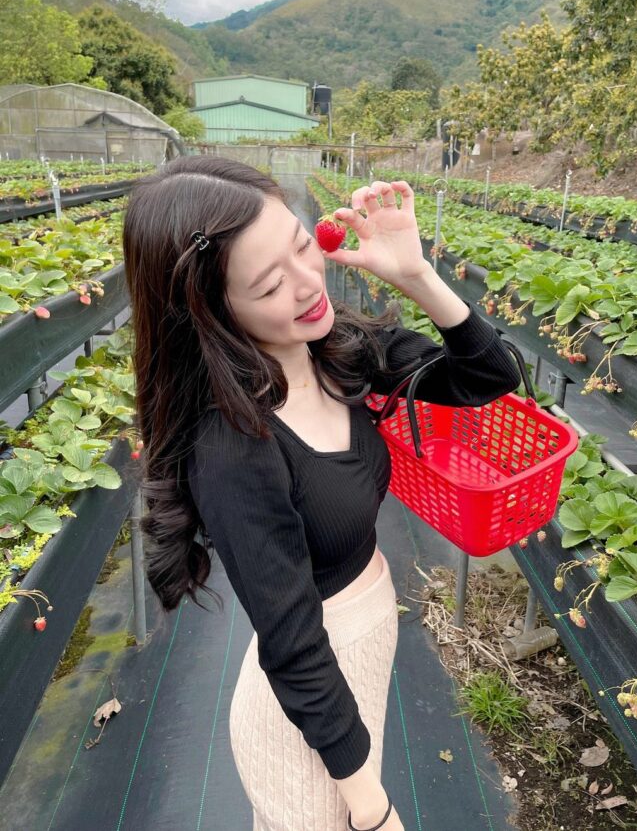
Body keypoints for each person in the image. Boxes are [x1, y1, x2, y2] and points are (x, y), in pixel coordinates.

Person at [122, 155, 521, 831]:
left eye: (303, 245)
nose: (308, 283)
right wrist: (370, 807)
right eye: (270, 283)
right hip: (306, 714)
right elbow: (293, 640)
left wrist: (416, 275)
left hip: (359, 651)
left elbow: (488, 377)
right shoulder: (233, 446)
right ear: (212, 312)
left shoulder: (340, 349)